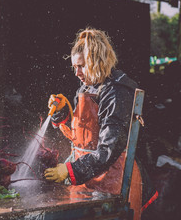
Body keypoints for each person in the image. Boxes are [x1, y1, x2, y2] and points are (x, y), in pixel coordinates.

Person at [44, 28, 158, 220]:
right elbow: (82, 138)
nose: (77, 72)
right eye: (74, 67)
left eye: (81, 66)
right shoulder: (87, 87)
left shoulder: (117, 92)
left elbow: (108, 150)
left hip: (112, 181)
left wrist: (70, 170)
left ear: (97, 61)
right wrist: (62, 114)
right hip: (88, 178)